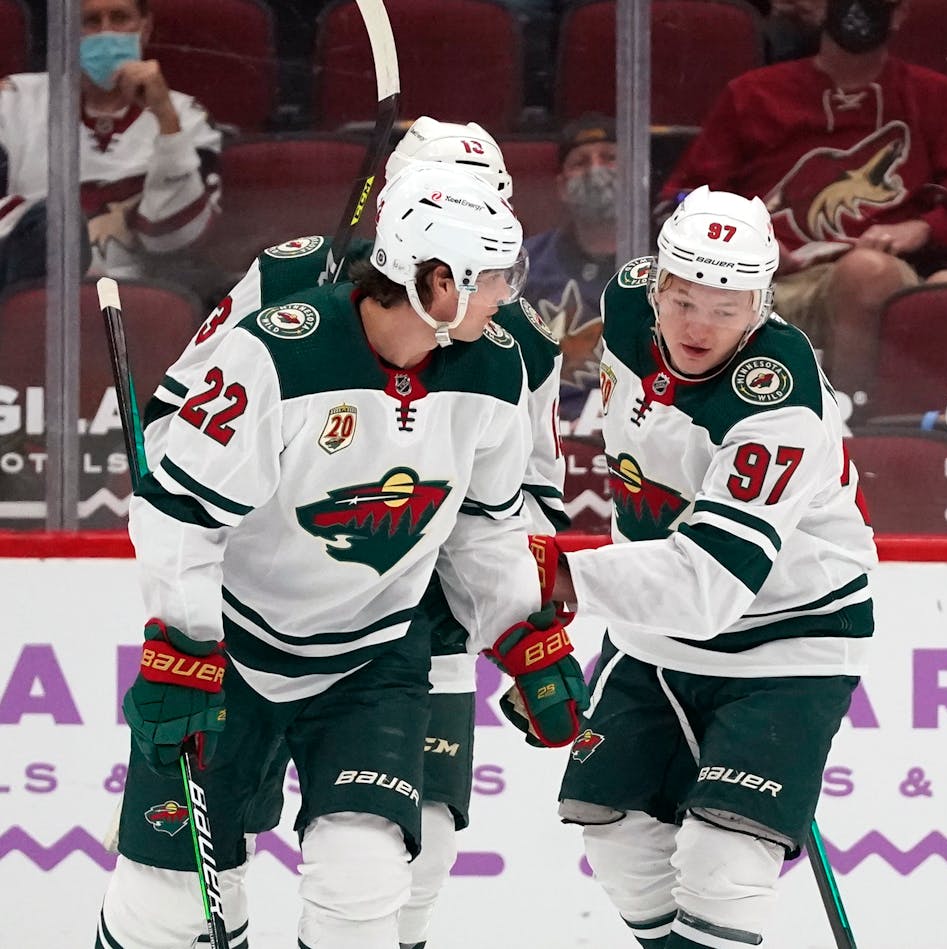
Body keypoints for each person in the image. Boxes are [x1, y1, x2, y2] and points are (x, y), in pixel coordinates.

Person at [93, 162, 587, 949]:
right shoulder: (277, 357)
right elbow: (180, 513)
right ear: (434, 280)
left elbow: (484, 529)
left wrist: (525, 637)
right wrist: (181, 647)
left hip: (372, 661)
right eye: (491, 277)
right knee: (169, 906)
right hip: (236, 650)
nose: (505, 296)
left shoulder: (495, 366)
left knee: (364, 884)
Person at [529, 186, 876, 949]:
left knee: (724, 856)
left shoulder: (777, 404)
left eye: (726, 306)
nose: (700, 325)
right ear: (655, 282)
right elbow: (524, 367)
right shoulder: (625, 305)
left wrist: (561, 577)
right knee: (613, 831)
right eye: (684, 299)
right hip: (655, 633)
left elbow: (707, 588)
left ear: (760, 302)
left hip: (790, 631)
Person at [658, 0, 947, 402]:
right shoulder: (752, 94)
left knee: (866, 273)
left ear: (901, 12)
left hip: (884, 279)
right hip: (769, 283)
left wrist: (922, 228)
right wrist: (743, 246)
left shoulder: (935, 96)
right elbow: (679, 202)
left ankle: (848, 422)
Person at [0, 0, 221, 289]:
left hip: (141, 302)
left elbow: (175, 240)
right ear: (65, 31)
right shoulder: (12, 102)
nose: (106, 33)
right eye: (91, 21)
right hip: (31, 297)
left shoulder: (187, 118)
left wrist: (166, 121)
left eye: (119, 18)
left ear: (145, 28)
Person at [522, 113, 619, 425]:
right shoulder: (523, 265)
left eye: (609, 158)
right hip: (543, 429)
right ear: (562, 187)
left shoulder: (662, 262)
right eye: (580, 162)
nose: (596, 171)